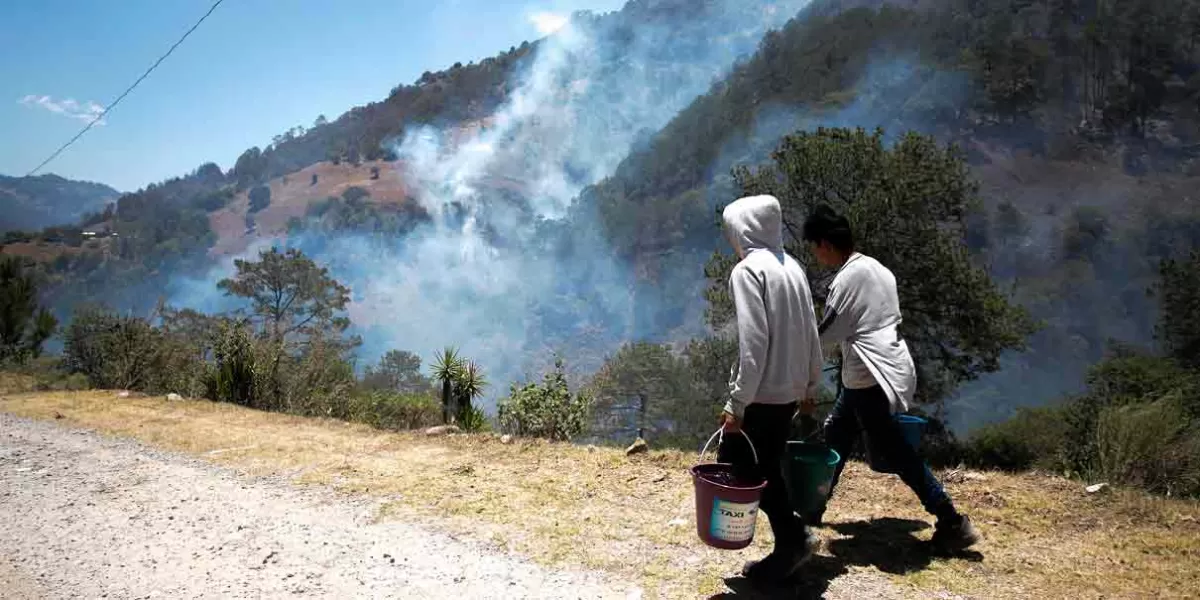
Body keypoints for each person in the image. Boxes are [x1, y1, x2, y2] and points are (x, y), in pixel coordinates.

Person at [801, 204, 981, 551]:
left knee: (896, 451)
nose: (814, 254)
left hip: (870, 377)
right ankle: (811, 510)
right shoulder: (877, 269)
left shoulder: (848, 279)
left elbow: (825, 334)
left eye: (814, 246)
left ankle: (952, 520)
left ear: (824, 243)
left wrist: (794, 360)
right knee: (836, 436)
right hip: (878, 372)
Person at [716, 194, 824, 583]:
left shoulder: (747, 272)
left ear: (744, 229)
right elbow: (813, 333)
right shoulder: (791, 267)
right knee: (766, 469)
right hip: (788, 391)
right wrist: (811, 384)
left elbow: (753, 342)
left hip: (762, 393)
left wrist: (737, 401)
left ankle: (792, 540)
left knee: (740, 467)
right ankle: (791, 543)